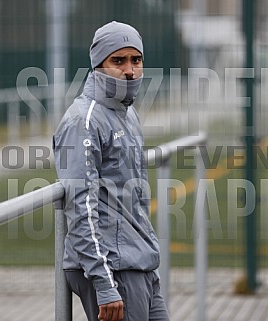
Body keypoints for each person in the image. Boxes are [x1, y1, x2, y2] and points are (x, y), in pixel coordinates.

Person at [53, 21, 170, 321]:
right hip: (111, 270)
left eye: (136, 60)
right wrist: (104, 282)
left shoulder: (128, 113)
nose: (129, 70)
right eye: (118, 61)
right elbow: (80, 207)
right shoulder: (83, 120)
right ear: (98, 65)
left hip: (140, 264)